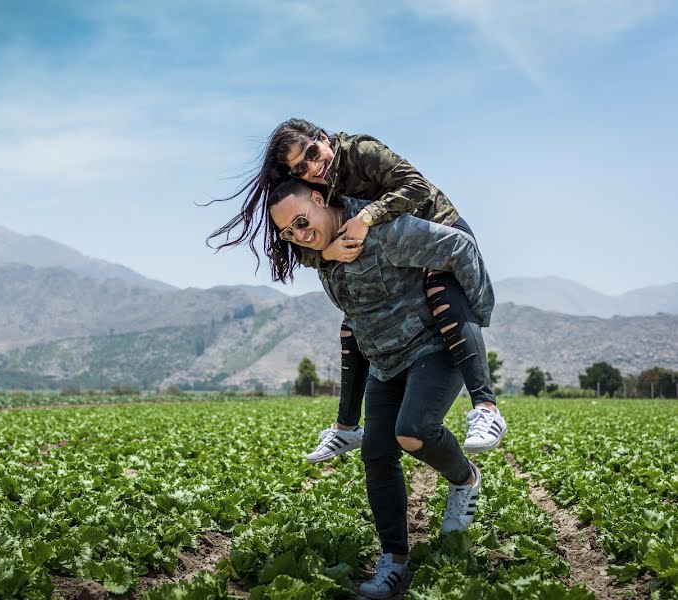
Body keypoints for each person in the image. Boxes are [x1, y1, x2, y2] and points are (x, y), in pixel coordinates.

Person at [207, 118, 506, 462]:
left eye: (313, 153)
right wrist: (326, 252)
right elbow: (306, 235)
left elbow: (417, 188)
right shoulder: (315, 187)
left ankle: (486, 408)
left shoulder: (359, 152)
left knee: (442, 293)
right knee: (354, 323)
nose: (312, 167)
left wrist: (365, 218)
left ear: (323, 138)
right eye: (300, 167)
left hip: (437, 226)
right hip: (397, 246)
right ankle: (346, 428)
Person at [266, 178, 493, 599]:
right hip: (385, 363)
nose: (299, 234)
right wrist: (315, 248)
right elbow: (318, 254)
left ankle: (464, 480)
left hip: (434, 348)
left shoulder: (381, 230)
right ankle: (395, 561)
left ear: (320, 199)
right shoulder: (319, 250)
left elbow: (460, 247)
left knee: (412, 432)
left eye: (302, 221)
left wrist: (475, 318)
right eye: (288, 231)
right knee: (376, 453)